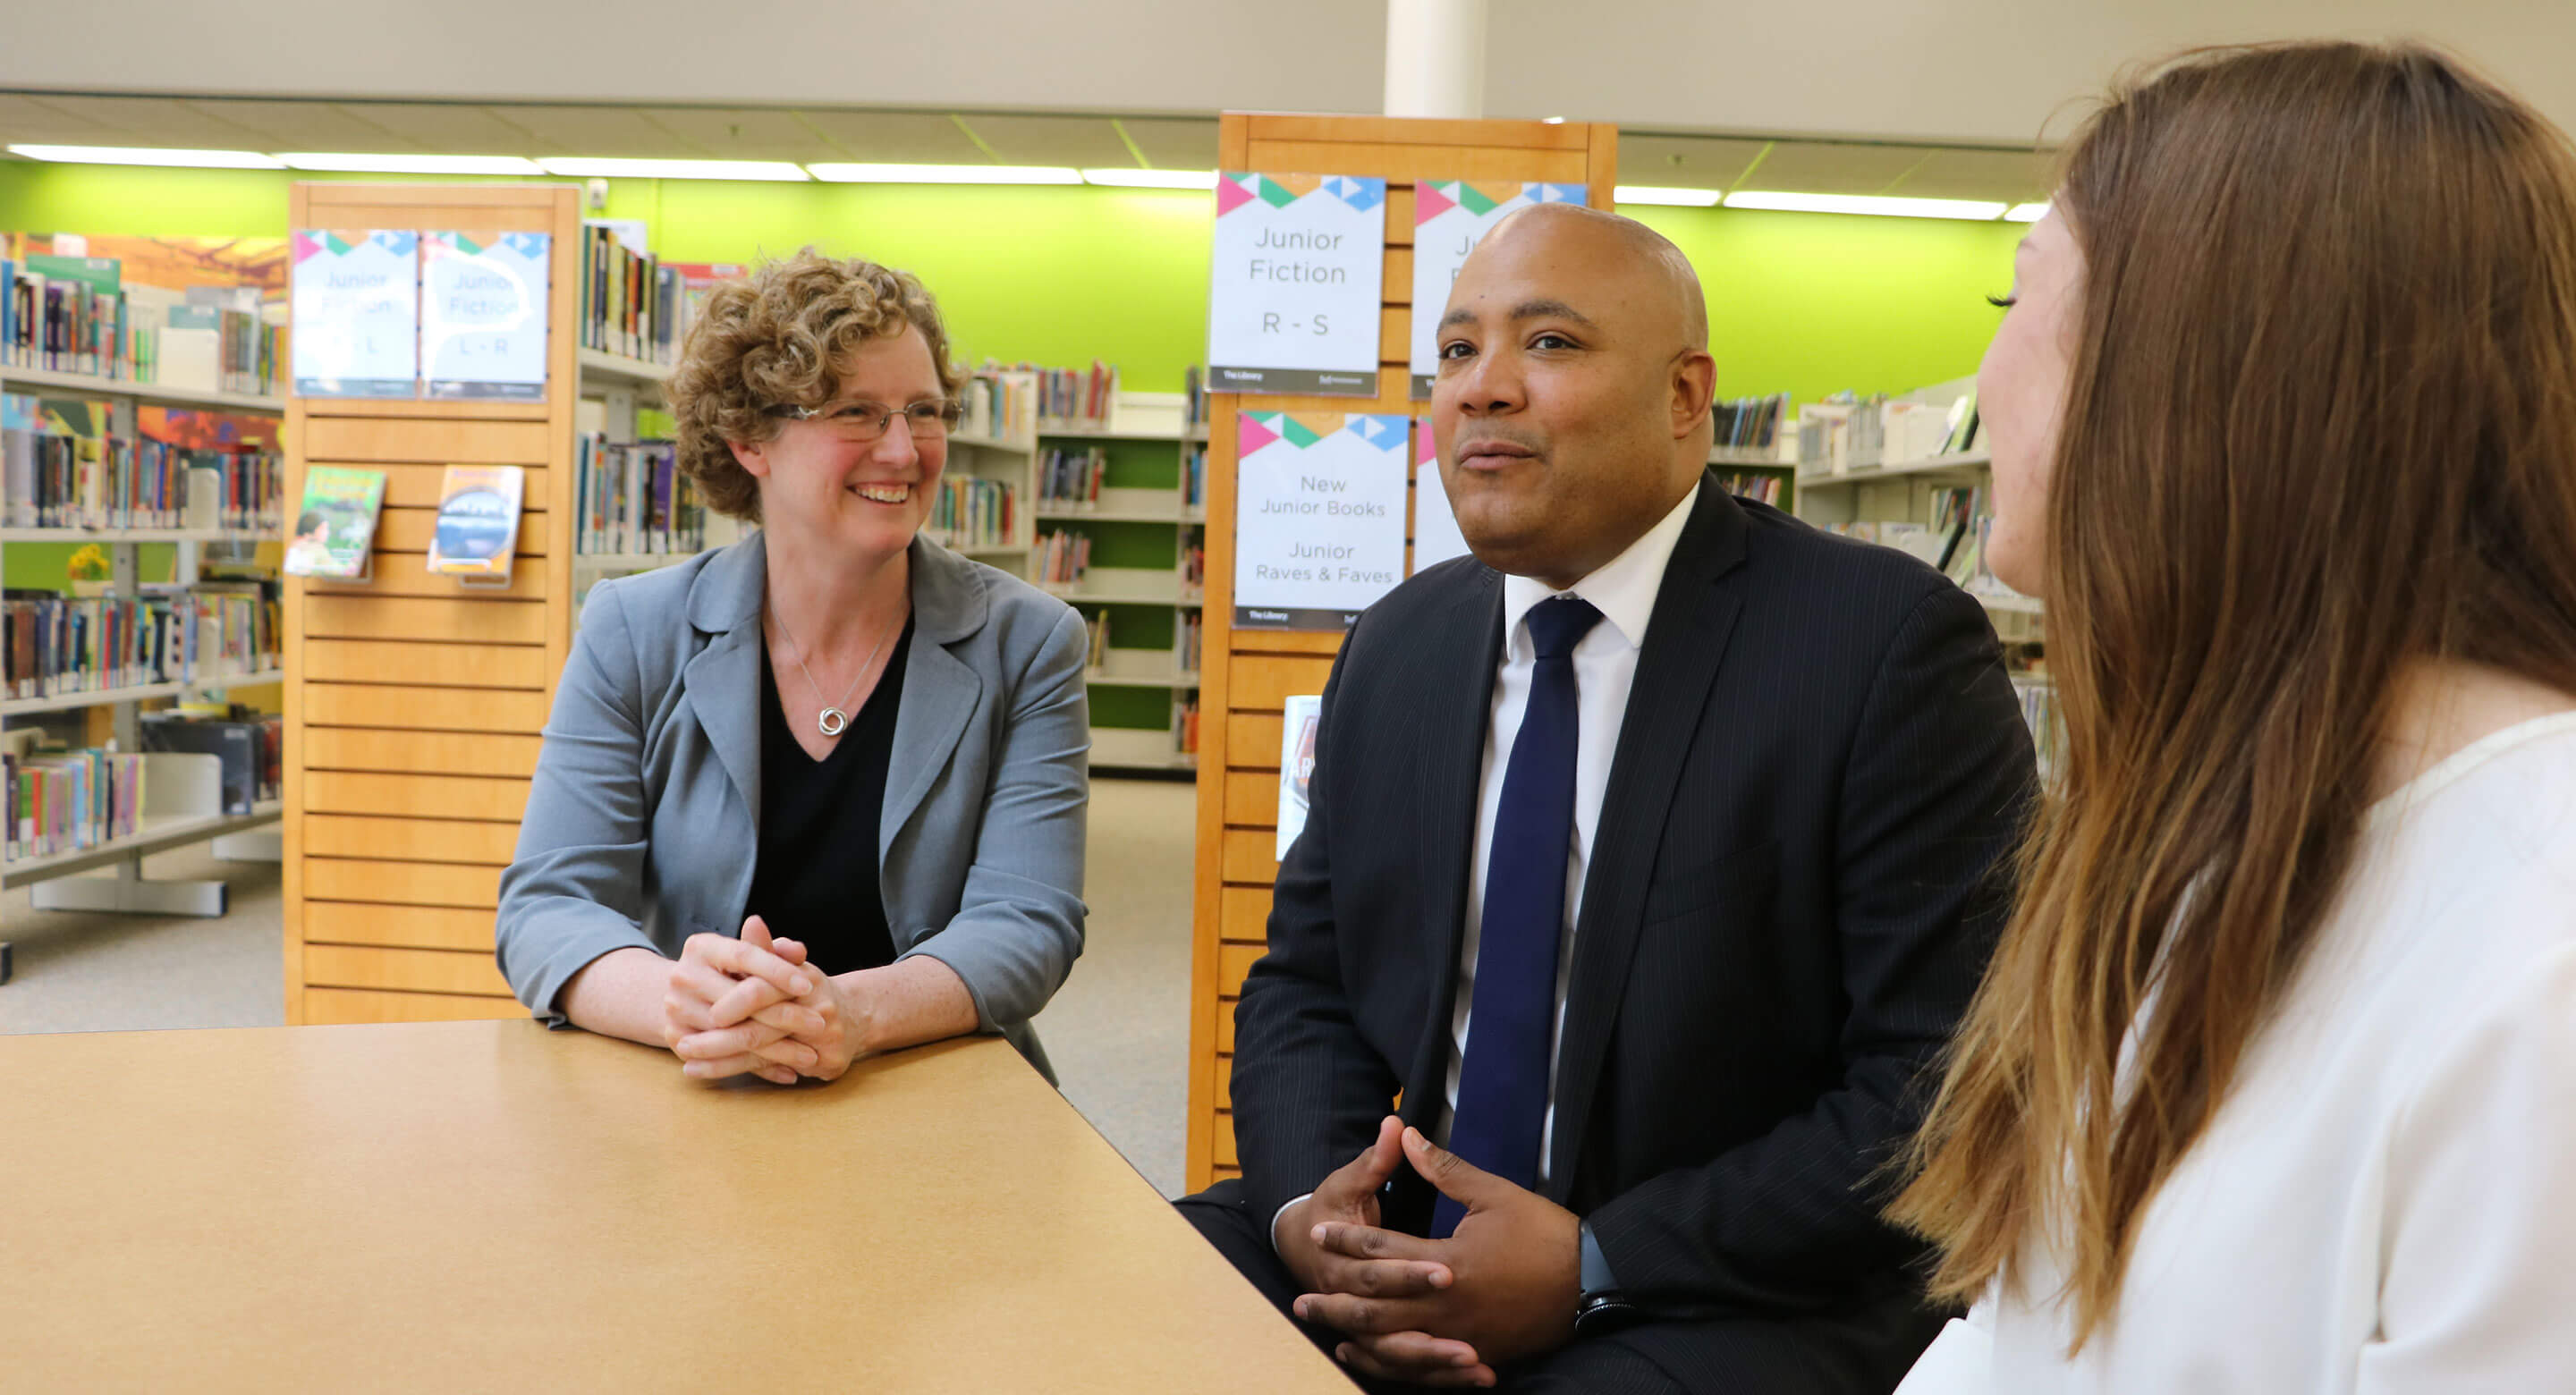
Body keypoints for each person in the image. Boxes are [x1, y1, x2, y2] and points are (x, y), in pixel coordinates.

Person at [1179, 203, 2037, 1393]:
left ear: (1688, 399)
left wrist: (1594, 1258)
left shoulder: (1879, 645)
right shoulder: (1399, 646)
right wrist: (1321, 1225)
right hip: (1410, 1233)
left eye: (1550, 344)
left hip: (1712, 1281)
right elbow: (1304, 986)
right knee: (1125, 1301)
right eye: (1456, 350)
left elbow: (1937, 1091)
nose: (1482, 389)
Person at [1888, 42, 2576, 1392]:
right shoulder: (2238, 840)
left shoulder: (2537, 951)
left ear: (2191, 374)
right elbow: (2033, 1337)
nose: (1987, 365)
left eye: (2016, 295)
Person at [495, 249, 1089, 1086]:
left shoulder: (1028, 642)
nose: (903, 449)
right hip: (694, 1088)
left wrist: (854, 1014)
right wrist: (684, 1004)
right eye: (855, 411)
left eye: (924, 410)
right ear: (749, 440)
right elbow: (548, 906)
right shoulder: (633, 629)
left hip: (936, 1091)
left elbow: (1029, 919)